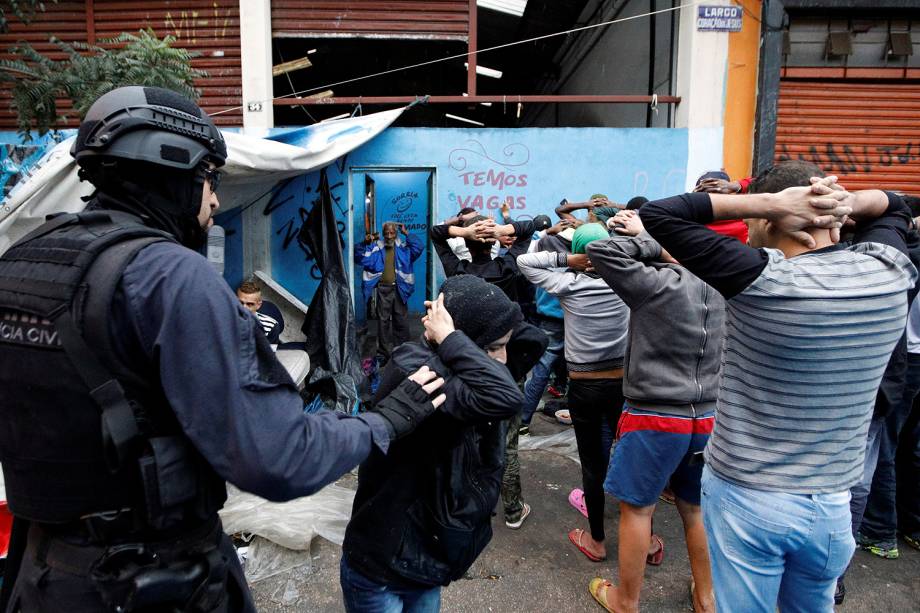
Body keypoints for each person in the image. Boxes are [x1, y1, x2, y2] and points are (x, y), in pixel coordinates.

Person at [0, 86, 442, 612]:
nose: (213, 201)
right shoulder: (170, 275)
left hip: (39, 574)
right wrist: (386, 420)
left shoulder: (22, 261)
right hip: (152, 581)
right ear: (175, 171)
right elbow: (280, 457)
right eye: (209, 180)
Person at [638, 160, 917, 612]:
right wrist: (843, 202)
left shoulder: (763, 280)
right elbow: (895, 206)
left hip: (749, 496)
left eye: (752, 222)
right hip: (831, 504)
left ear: (772, 219)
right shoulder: (889, 272)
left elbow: (660, 215)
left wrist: (769, 201)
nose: (747, 233)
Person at [340, 275, 545, 612]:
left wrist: (460, 333)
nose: (505, 359)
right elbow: (507, 397)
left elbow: (532, 340)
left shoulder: (467, 369)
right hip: (384, 566)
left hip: (426, 561)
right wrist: (450, 336)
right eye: (495, 347)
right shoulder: (421, 371)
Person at [585, 209, 723, 613]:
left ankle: (626, 601)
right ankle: (706, 597)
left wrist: (651, 241)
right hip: (708, 417)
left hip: (654, 416)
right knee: (695, 509)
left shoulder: (657, 284)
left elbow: (601, 249)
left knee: (638, 510)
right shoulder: (725, 284)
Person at [517, 223, 630, 563]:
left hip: (584, 385)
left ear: (581, 252)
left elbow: (526, 262)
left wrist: (570, 260)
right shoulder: (629, 282)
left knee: (592, 465)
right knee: (630, 456)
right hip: (625, 385)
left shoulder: (568, 283)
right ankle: (647, 537)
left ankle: (597, 540)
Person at [430, 213, 539, 528]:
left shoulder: (458, 272)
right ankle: (513, 509)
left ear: (466, 243)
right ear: (494, 242)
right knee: (507, 443)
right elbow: (531, 226)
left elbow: (436, 233)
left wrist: (465, 229)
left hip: (465, 366)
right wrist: (503, 228)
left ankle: (464, 504)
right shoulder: (508, 268)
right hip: (507, 369)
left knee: (464, 437)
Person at [355, 220, 424, 359]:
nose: (389, 236)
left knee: (401, 321)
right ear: (383, 234)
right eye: (386, 233)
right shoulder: (375, 248)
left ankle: (402, 352)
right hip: (383, 290)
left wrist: (407, 233)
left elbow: (419, 246)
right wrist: (364, 242)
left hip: (400, 289)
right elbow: (358, 256)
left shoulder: (404, 248)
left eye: (392, 232)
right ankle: (384, 353)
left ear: (396, 233)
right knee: (383, 322)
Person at [236, 279, 285, 345]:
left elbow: (269, 354)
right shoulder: (223, 321)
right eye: (240, 302)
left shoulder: (271, 326)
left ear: (259, 305)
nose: (244, 308)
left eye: (250, 304)